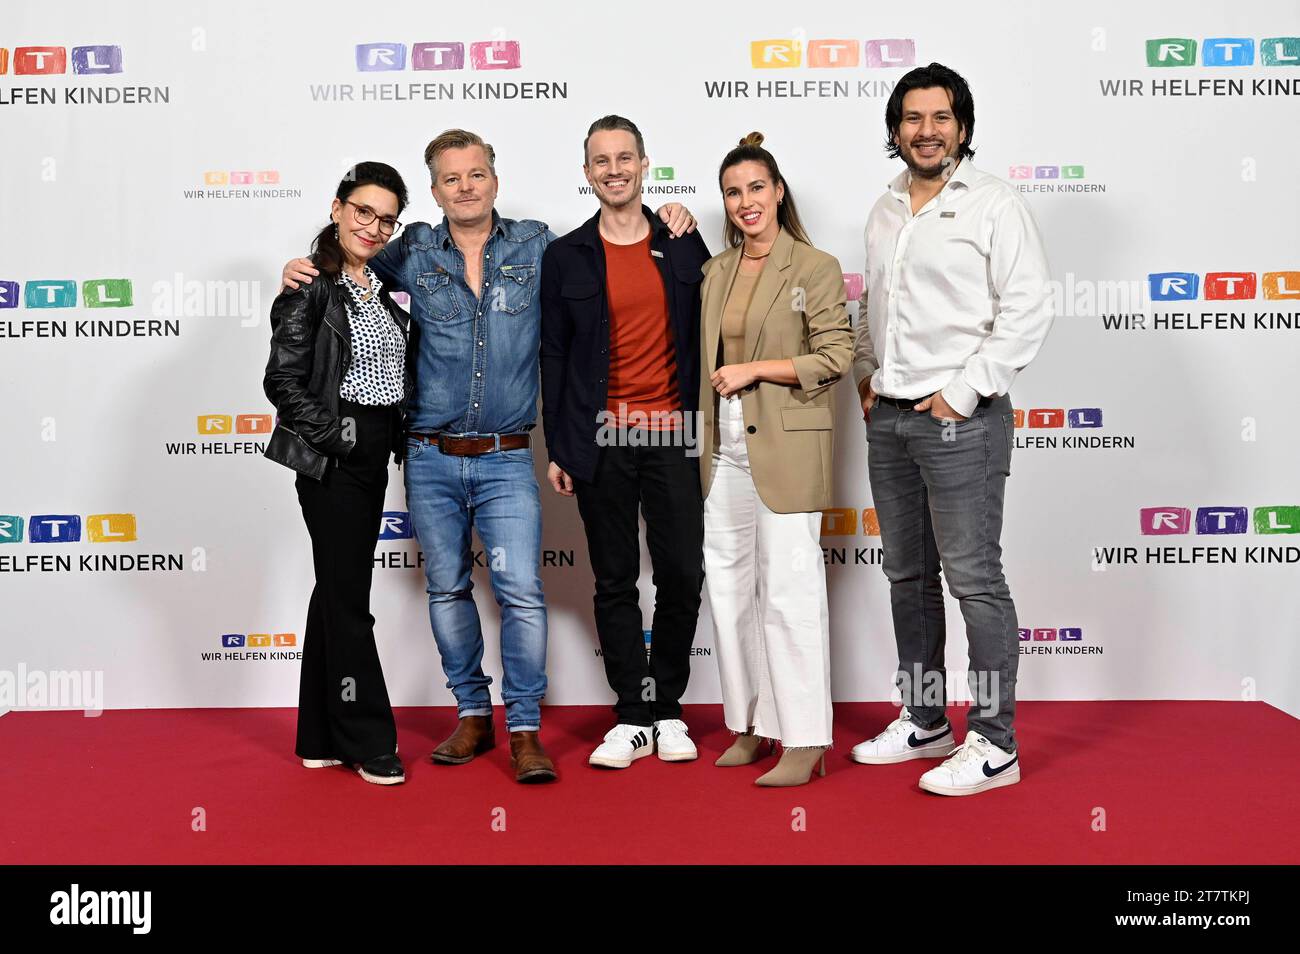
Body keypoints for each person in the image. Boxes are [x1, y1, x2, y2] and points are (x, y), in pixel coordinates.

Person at [280, 130, 696, 783]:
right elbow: (349, 264)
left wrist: (671, 216)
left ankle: (524, 728)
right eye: (451, 178)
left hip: (506, 456)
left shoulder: (538, 245)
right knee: (447, 589)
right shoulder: (411, 248)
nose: (466, 187)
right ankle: (472, 716)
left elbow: (608, 254)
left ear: (494, 180)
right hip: (429, 453)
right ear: (436, 190)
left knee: (522, 593)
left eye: (476, 174)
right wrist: (305, 265)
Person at [850, 63, 1054, 795]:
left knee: (974, 580)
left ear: (961, 126)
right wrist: (869, 377)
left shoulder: (994, 203)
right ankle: (925, 718)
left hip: (960, 424)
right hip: (891, 423)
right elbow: (877, 306)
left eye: (940, 117)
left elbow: (1027, 310)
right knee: (908, 576)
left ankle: (995, 744)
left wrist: (962, 393)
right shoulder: (883, 210)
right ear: (895, 128)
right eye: (912, 118)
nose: (926, 130)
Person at [541, 115, 711, 769]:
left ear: (645, 166)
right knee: (613, 580)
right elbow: (553, 358)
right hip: (601, 441)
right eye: (600, 161)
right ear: (587, 174)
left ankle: (668, 709)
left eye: (625, 158)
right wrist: (561, 445)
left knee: (679, 575)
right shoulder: (566, 256)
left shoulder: (684, 243)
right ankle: (633, 715)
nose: (613, 170)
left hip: (674, 438)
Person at [699, 133, 852, 787]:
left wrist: (753, 369)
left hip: (784, 445)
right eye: (733, 192)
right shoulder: (715, 270)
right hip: (720, 448)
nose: (745, 202)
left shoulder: (814, 266)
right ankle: (754, 724)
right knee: (731, 591)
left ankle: (807, 738)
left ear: (778, 190)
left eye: (756, 187)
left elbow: (837, 355)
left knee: (789, 594)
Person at [263, 161, 414, 786]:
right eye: (363, 212)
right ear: (337, 208)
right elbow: (282, 380)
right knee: (351, 598)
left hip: (377, 447)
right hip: (337, 452)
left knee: (335, 589)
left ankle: (319, 734)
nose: (374, 227)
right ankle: (368, 738)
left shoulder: (381, 284)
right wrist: (335, 440)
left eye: (386, 219)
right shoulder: (310, 289)